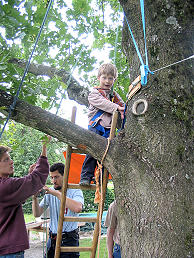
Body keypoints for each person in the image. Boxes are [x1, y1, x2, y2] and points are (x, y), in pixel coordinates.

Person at [0, 136, 50, 258]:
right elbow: (37, 178)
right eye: (6, 160)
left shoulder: (5, 186)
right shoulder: (5, 186)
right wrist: (44, 149)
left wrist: (29, 177)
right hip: (9, 251)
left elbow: (18, 194)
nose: (11, 161)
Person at [79, 63, 125, 185]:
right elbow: (103, 104)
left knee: (106, 153)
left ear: (114, 80)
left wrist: (124, 109)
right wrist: (117, 108)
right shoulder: (94, 93)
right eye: (104, 77)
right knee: (92, 150)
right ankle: (86, 176)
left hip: (109, 129)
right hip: (96, 126)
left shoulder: (113, 95)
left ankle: (101, 179)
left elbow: (122, 105)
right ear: (99, 77)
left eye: (111, 78)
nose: (107, 81)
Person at [32, 162, 84, 258]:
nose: (53, 181)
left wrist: (56, 193)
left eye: (56, 177)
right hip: (52, 239)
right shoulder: (51, 191)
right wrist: (34, 198)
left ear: (65, 176)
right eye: (51, 177)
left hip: (69, 239)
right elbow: (37, 213)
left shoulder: (75, 190)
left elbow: (78, 208)